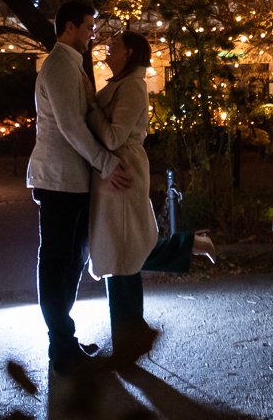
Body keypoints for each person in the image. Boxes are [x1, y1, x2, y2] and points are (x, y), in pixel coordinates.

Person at [86, 29, 216, 361]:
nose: (106, 49)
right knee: (123, 257)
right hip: (114, 176)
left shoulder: (132, 86)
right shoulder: (120, 83)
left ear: (129, 53)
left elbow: (114, 137)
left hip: (122, 175)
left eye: (114, 45)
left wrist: (91, 110)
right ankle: (133, 335)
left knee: (121, 255)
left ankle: (128, 341)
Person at [26, 1, 134, 377]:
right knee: (57, 263)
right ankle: (60, 347)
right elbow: (72, 126)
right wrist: (106, 164)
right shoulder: (58, 66)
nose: (92, 33)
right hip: (57, 181)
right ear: (69, 27)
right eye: (88, 26)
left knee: (70, 261)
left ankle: (65, 341)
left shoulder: (70, 65)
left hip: (70, 181)